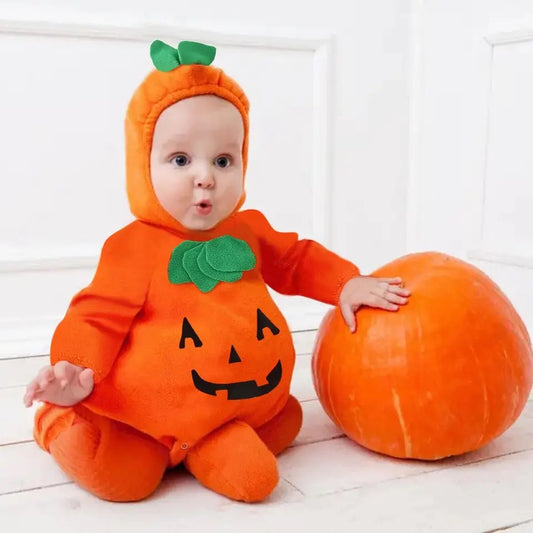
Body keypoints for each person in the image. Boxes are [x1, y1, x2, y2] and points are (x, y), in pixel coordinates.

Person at [23, 40, 410, 503]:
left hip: (230, 406)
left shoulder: (247, 229)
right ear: (142, 166)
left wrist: (346, 283)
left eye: (223, 160)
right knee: (123, 480)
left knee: (282, 425)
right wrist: (76, 367)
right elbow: (96, 316)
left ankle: (207, 443)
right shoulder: (133, 248)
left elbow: (296, 258)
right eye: (181, 160)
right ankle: (58, 421)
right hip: (142, 418)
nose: (205, 177)